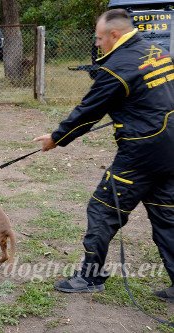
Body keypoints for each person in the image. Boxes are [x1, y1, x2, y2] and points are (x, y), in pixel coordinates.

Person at [34, 9, 174, 302]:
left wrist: (56, 139)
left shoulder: (117, 68)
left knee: (102, 209)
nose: (96, 44)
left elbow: (88, 113)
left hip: (142, 153)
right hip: (169, 149)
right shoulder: (157, 51)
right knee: (166, 216)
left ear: (114, 35)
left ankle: (90, 276)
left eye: (99, 38)